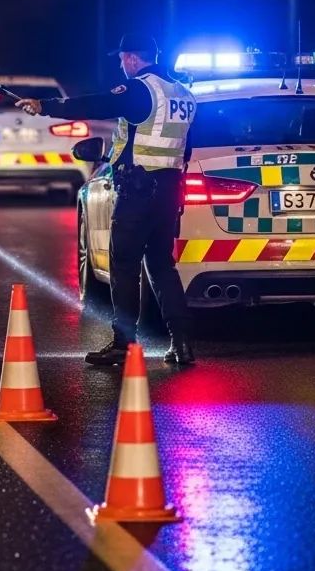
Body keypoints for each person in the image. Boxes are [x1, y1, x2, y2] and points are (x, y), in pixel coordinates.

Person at [16, 34, 197, 367]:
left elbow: (95, 103)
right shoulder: (183, 93)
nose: (120, 63)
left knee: (124, 267)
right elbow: (185, 149)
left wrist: (46, 107)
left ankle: (123, 345)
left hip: (138, 191)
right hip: (170, 190)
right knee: (161, 266)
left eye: (122, 58)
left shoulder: (141, 89)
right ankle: (182, 344)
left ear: (131, 58)